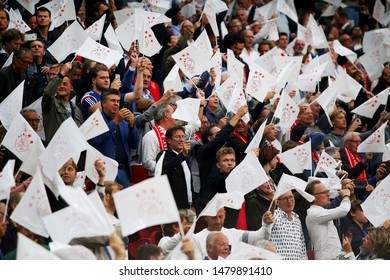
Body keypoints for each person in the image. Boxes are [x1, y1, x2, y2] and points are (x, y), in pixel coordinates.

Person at [89, 88, 138, 188]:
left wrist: (132, 126)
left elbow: (134, 144)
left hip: (124, 171)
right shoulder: (95, 120)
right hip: (105, 172)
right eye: (112, 101)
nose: (116, 104)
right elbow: (97, 141)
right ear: (103, 103)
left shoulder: (123, 122)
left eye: (118, 101)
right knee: (107, 202)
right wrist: (115, 122)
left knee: (124, 203)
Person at [191, 207, 273, 259]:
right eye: (214, 217)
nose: (218, 221)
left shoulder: (234, 234)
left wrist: (266, 225)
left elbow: (260, 237)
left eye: (220, 217)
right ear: (206, 217)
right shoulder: (196, 239)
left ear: (225, 215)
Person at [305, 180, 351, 260]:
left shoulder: (321, 212)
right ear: (313, 197)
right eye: (324, 192)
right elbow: (343, 210)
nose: (328, 194)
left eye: (328, 191)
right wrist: (346, 196)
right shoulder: (313, 213)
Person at [41, 62, 84, 143]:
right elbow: (47, 93)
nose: (61, 86)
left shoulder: (77, 110)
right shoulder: (51, 104)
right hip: (55, 150)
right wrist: (62, 73)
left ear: (71, 88)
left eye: (65, 84)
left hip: (72, 152)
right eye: (59, 84)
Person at [157, 125, 193, 210]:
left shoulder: (186, 157)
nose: (181, 140)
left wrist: (193, 203)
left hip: (188, 206)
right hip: (172, 208)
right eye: (177, 137)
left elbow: (189, 182)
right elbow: (164, 170)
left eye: (183, 137)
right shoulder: (163, 155)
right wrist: (182, 155)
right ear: (169, 140)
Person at [267, 191, 307, 260]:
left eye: (291, 197)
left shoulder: (297, 219)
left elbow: (302, 248)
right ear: (277, 202)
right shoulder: (273, 217)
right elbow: (265, 227)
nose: (289, 201)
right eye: (285, 198)